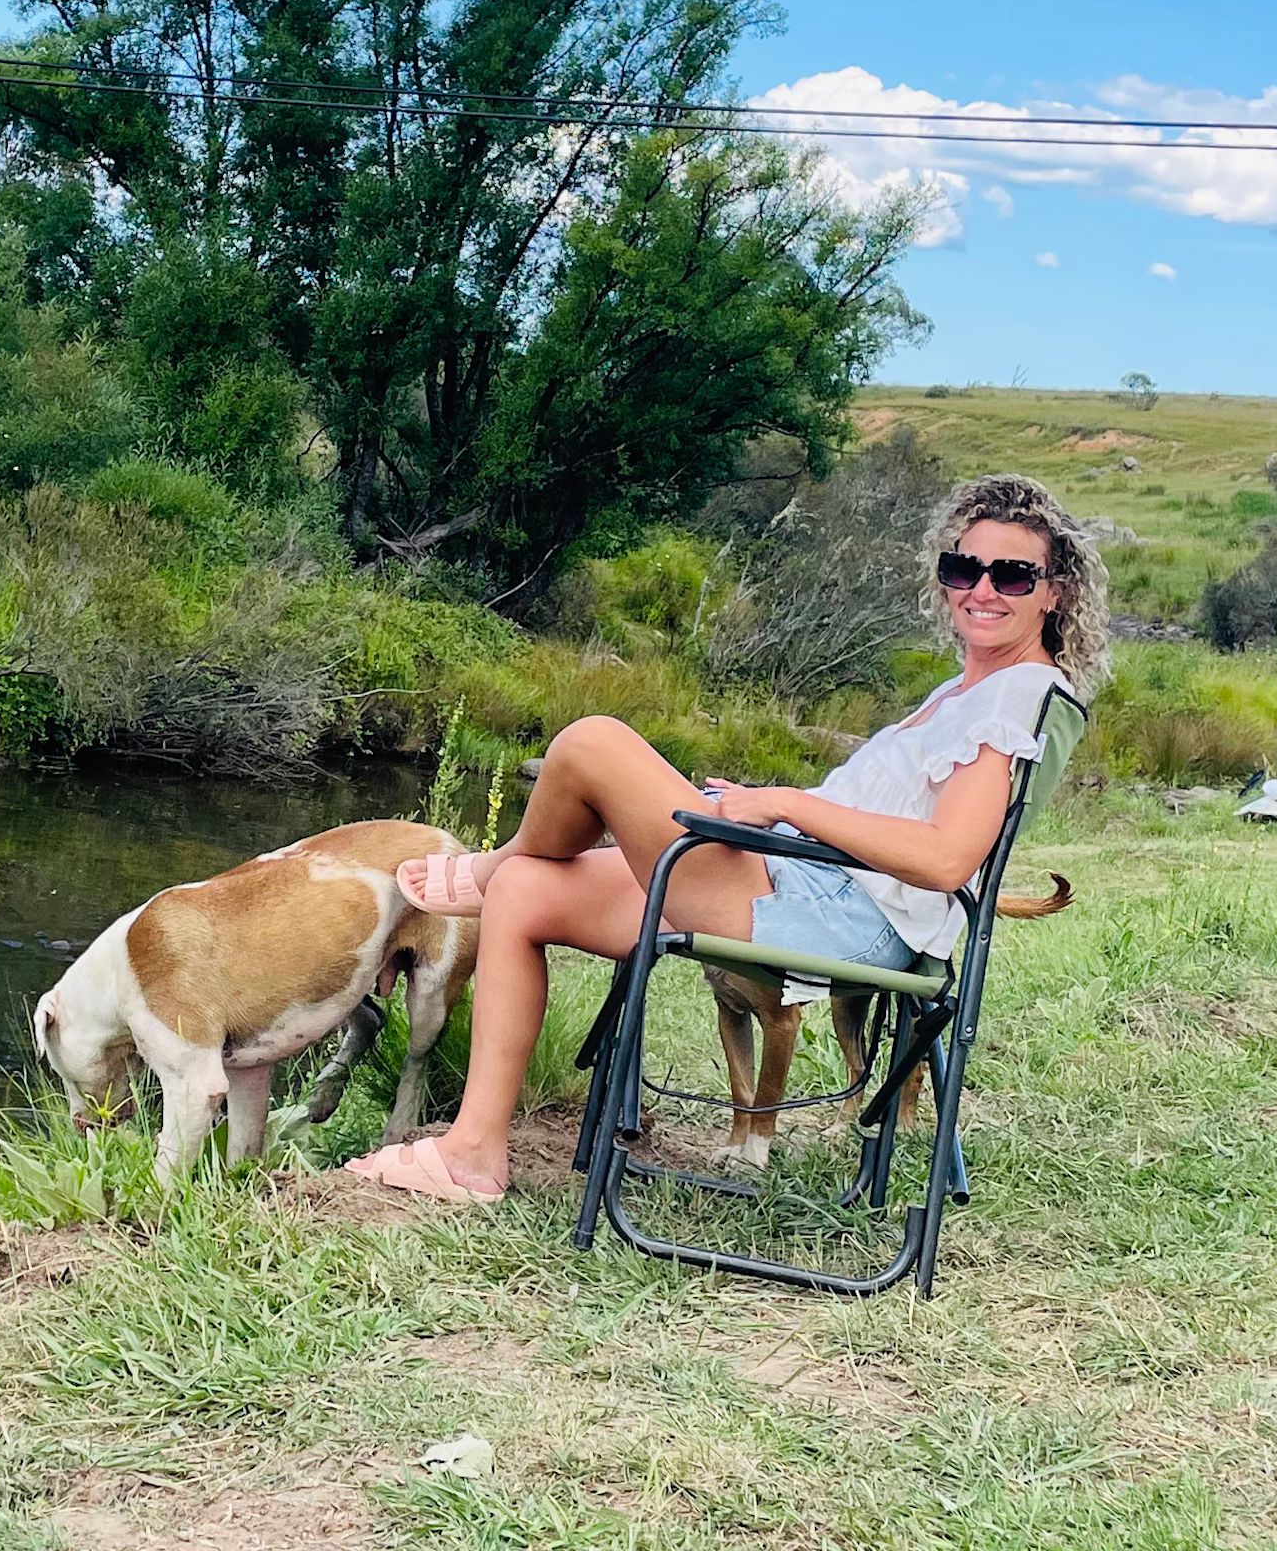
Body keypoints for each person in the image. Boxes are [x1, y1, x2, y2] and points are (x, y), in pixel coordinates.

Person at [351, 472, 1106, 1205]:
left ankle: (496, 859)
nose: (981, 588)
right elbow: (890, 813)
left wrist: (785, 805)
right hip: (804, 881)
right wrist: (761, 807)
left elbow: (946, 858)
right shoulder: (967, 690)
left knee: (592, 743)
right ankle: (473, 1153)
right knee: (530, 892)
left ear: (1056, 591)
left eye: (1012, 575)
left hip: (834, 915)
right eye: (963, 566)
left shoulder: (1017, 696)